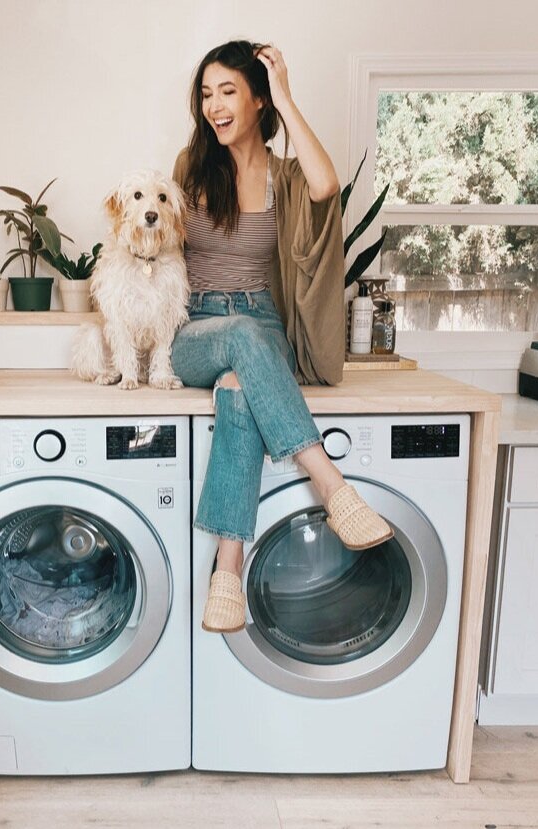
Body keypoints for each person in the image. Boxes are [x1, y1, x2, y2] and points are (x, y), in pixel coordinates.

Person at [169, 39, 393, 634]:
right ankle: (331, 484)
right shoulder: (189, 171)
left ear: (257, 100)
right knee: (240, 336)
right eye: (206, 94)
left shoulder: (285, 177)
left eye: (228, 92)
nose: (214, 105)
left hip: (263, 332)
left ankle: (228, 567)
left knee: (241, 390)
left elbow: (327, 187)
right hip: (198, 330)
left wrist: (287, 97)